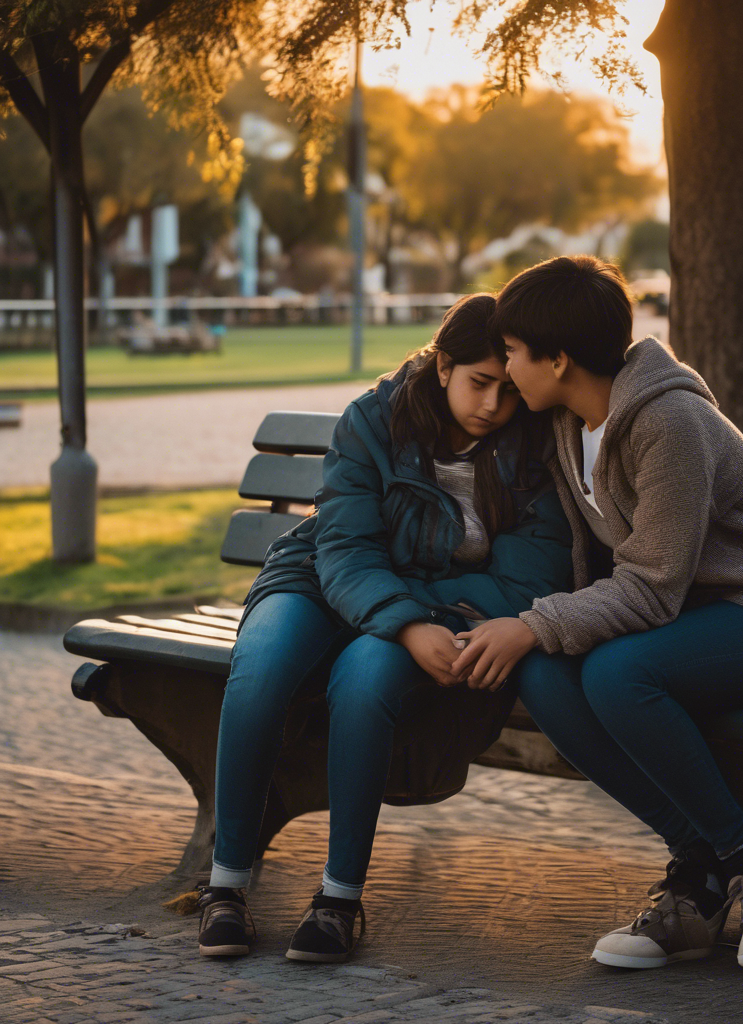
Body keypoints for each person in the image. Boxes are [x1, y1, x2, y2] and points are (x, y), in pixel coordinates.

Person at [451, 256, 743, 973]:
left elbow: (652, 587)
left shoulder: (669, 421)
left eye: (513, 353)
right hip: (695, 627)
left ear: (559, 357)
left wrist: (533, 621)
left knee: (616, 674)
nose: (507, 369)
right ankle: (699, 866)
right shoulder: (568, 422)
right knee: (544, 673)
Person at [197, 293, 573, 962]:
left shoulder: (530, 446)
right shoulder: (374, 420)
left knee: (363, 682)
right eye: (478, 383)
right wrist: (404, 621)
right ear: (442, 367)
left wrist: (413, 615)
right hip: (320, 581)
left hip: (431, 606)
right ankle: (224, 888)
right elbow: (343, 547)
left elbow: (530, 576)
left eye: (506, 389)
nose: (493, 404)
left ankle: (338, 901)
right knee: (257, 672)